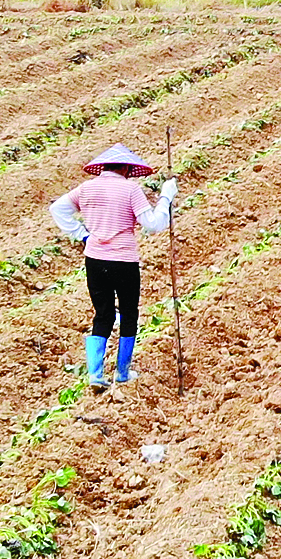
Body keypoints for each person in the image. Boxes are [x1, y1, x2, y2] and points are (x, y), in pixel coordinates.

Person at [50, 144, 177, 388]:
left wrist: (82, 234)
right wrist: (166, 197)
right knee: (129, 313)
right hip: (124, 261)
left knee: (103, 314)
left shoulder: (86, 188)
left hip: (95, 260)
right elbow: (153, 224)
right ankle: (122, 372)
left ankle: (95, 374)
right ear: (127, 168)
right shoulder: (131, 189)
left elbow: (58, 209)